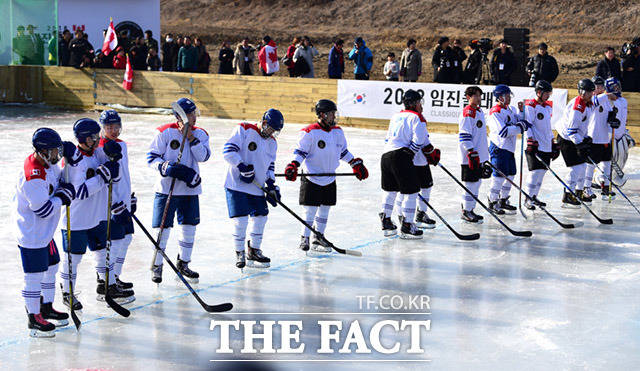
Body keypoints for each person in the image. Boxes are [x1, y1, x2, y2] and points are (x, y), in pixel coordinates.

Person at [60, 118, 134, 311]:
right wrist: (103, 176)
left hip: (97, 216)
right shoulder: (74, 161)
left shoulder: (97, 153)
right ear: (84, 138)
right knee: (73, 258)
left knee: (102, 253)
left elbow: (114, 176)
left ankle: (106, 286)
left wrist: (113, 160)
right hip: (76, 220)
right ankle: (68, 292)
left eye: (97, 136)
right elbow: (80, 192)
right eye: (93, 137)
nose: (97, 139)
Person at [284, 100, 368, 252]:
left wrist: (354, 163)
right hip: (312, 177)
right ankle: (305, 237)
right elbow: (300, 153)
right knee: (310, 210)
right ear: (322, 115)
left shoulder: (338, 132)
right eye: (331, 114)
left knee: (325, 209)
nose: (334, 117)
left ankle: (319, 237)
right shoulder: (309, 132)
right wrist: (293, 165)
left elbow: (343, 152)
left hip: (330, 177)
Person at [16, 128, 77, 337]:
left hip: (46, 233)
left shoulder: (47, 163)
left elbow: (60, 181)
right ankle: (33, 318)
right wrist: (63, 197)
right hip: (33, 234)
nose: (56, 155)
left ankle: (46, 306)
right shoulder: (33, 176)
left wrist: (71, 160)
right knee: (34, 276)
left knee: (52, 266)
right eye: (53, 151)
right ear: (42, 151)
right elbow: (42, 210)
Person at [147, 98, 210, 283]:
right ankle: (157, 265)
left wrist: (190, 137)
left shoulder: (201, 133)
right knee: (162, 229)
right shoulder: (164, 132)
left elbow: (203, 156)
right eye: (189, 115)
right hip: (167, 189)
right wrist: (165, 167)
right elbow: (151, 158)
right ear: (179, 116)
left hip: (190, 190)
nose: (193, 118)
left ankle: (184, 263)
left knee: (189, 227)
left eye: (194, 114)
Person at [223, 109, 283, 269]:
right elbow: (228, 151)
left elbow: (270, 165)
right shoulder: (243, 129)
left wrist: (271, 185)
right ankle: (239, 252)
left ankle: (254, 250)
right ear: (264, 123)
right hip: (237, 185)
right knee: (241, 220)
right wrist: (241, 166)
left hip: (257, 188)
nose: (272, 133)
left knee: (261, 216)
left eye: (275, 131)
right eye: (270, 129)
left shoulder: (272, 142)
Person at [379, 90, 439, 239]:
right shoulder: (416, 117)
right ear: (413, 103)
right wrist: (414, 153)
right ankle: (407, 225)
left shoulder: (396, 116)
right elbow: (420, 139)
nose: (421, 105)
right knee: (411, 192)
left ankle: (386, 220)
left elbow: (389, 139)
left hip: (386, 155)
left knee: (390, 191)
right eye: (419, 102)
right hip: (401, 156)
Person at [97, 110, 136, 290]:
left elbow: (124, 175)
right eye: (108, 127)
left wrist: (128, 198)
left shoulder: (122, 145)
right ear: (102, 128)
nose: (113, 130)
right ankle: (105, 281)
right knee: (115, 242)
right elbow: (104, 180)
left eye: (116, 127)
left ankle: (115, 276)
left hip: (123, 201)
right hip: (112, 205)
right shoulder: (100, 148)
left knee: (126, 238)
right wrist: (113, 205)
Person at [487, 84, 529, 214]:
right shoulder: (495, 112)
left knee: (511, 174)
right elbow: (503, 132)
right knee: (499, 176)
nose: (508, 98)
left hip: (509, 148)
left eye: (509, 95)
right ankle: (492, 200)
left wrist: (521, 113)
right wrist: (519, 128)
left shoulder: (510, 109)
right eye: (506, 95)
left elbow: (519, 120)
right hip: (499, 147)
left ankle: (503, 199)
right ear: (499, 97)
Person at [555, 78, 596, 207]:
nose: (592, 94)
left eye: (592, 91)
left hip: (575, 137)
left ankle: (578, 192)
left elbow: (583, 125)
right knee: (576, 168)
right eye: (589, 92)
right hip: (567, 139)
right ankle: (568, 194)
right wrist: (580, 144)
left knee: (583, 166)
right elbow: (572, 130)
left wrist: (586, 138)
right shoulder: (577, 107)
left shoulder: (588, 104)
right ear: (582, 92)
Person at [458, 86, 492, 223]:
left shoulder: (478, 111)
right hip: (470, 157)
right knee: (470, 184)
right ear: (468, 97)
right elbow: (464, 135)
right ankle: (466, 210)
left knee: (477, 183)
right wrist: (471, 152)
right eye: (476, 96)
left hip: (480, 156)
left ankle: (471, 209)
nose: (479, 98)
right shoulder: (467, 113)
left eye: (480, 96)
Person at [523, 80, 556, 210]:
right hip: (536, 145)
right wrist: (530, 140)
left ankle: (534, 196)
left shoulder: (547, 107)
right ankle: (527, 198)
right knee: (535, 173)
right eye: (546, 93)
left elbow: (548, 127)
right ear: (539, 92)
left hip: (546, 145)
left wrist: (553, 142)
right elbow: (528, 124)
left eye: (549, 93)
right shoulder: (531, 106)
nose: (548, 96)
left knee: (542, 172)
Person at [583, 76, 616, 200]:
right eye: (597, 86)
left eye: (601, 86)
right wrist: (609, 95)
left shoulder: (605, 100)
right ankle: (586, 187)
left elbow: (608, 115)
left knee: (606, 163)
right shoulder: (592, 99)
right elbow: (598, 100)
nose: (599, 88)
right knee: (591, 164)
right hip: (594, 137)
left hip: (605, 137)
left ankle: (605, 186)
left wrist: (613, 120)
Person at [605, 77, 633, 186]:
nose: (618, 89)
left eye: (618, 87)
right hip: (610, 134)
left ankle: (615, 177)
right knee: (610, 158)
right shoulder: (606, 101)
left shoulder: (623, 101)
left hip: (621, 133)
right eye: (615, 87)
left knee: (623, 156)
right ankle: (601, 178)